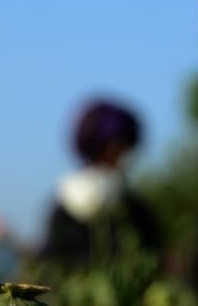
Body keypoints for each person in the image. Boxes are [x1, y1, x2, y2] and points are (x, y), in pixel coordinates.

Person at [38, 99, 159, 266]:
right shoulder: (64, 208)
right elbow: (51, 262)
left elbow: (153, 257)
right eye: (119, 149)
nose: (125, 159)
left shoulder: (134, 207)